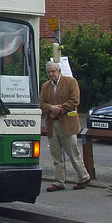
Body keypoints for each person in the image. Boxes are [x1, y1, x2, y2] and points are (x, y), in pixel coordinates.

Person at [39, 60, 91, 192]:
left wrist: (59, 109)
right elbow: (41, 103)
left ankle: (83, 177)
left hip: (67, 123)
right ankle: (58, 181)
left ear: (59, 71)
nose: (51, 74)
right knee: (56, 155)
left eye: (53, 71)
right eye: (48, 72)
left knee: (73, 152)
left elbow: (75, 101)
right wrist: (50, 108)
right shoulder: (45, 86)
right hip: (52, 124)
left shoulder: (70, 82)